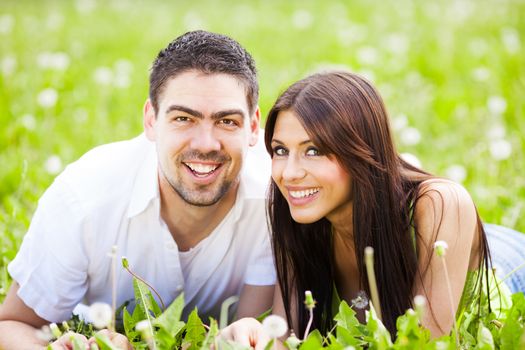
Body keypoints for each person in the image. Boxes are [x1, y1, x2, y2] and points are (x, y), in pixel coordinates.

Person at [0, 30, 276, 348]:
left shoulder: (278, 193)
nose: (205, 144)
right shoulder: (82, 197)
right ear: (151, 120)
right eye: (184, 118)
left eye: (227, 121)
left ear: (254, 127)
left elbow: (257, 329)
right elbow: (13, 323)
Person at [221, 70, 525, 347]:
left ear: (359, 150)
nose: (289, 173)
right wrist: (251, 334)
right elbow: (285, 338)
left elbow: (425, 343)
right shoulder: (293, 211)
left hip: (507, 260)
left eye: (313, 150)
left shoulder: (441, 203)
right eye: (281, 150)